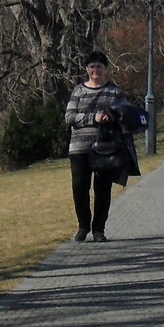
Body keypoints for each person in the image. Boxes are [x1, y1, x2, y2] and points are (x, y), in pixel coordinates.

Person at [64, 51, 128, 242]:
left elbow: (126, 115)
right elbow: (69, 117)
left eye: (99, 66)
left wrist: (113, 117)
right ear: (87, 69)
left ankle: (99, 229)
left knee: (103, 189)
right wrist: (94, 118)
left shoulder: (115, 92)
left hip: (106, 149)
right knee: (79, 187)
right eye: (92, 67)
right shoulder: (78, 91)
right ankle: (83, 226)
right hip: (79, 148)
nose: (95, 70)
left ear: (105, 69)